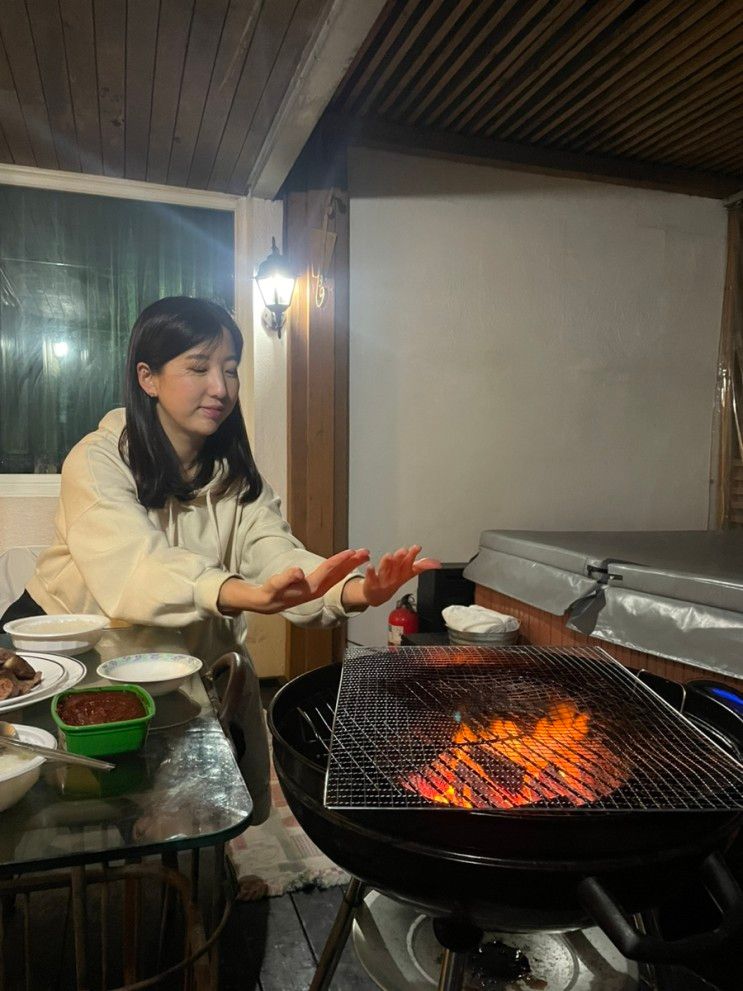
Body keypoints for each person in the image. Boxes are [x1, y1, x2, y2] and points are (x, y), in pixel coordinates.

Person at [1, 296, 439, 821]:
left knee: (179, 803)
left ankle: (197, 886)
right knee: (58, 810)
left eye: (230, 369)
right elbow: (137, 567)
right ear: (148, 377)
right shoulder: (99, 459)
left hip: (168, 664)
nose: (221, 387)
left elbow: (280, 558)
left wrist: (356, 591)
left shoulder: (237, 481)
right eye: (199, 367)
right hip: (56, 655)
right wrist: (237, 592)